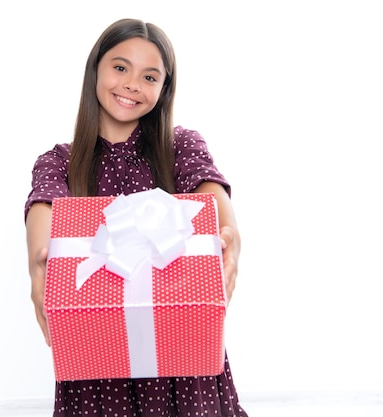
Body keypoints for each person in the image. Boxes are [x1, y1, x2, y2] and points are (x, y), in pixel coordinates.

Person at [25, 18, 248, 417]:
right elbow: (44, 210)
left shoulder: (179, 145)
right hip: (96, 350)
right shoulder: (59, 161)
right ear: (95, 69)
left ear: (163, 90)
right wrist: (39, 261)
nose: (131, 84)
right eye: (120, 67)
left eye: (149, 76)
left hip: (181, 344)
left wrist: (230, 233)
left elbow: (208, 188)